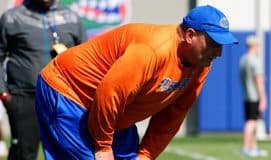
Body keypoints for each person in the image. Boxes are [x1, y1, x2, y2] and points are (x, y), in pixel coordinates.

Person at [35, 5, 238, 160]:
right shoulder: (152, 50)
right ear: (190, 35)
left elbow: (173, 115)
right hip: (69, 92)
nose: (219, 52)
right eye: (213, 43)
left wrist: (146, 154)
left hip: (114, 112)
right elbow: (110, 93)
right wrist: (103, 146)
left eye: (221, 45)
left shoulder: (201, 63)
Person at [0, 0, 88, 159]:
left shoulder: (72, 18)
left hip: (63, 100)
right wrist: (4, 94)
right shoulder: (12, 18)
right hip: (25, 98)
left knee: (66, 153)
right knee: (23, 154)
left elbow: (87, 58)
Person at [240, 35, 268, 157]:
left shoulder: (243, 59)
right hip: (254, 95)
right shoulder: (254, 60)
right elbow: (259, 80)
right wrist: (263, 98)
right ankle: (246, 147)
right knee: (251, 122)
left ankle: (253, 147)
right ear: (255, 46)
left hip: (246, 94)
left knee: (252, 121)